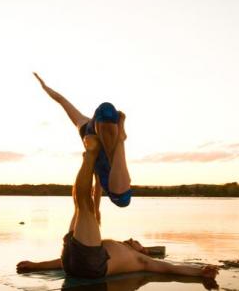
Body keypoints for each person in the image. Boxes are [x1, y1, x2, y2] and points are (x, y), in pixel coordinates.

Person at [17, 134, 219, 279]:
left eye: (137, 242)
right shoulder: (116, 246)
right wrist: (36, 265)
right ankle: (92, 164)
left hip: (93, 265)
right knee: (82, 206)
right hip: (73, 260)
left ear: (144, 251)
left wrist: (200, 272)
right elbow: (63, 261)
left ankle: (90, 154)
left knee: (83, 204)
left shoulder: (140, 259)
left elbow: (169, 268)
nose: (132, 239)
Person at [33, 72, 131, 207]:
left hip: (113, 178)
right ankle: (120, 139)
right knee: (122, 199)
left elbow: (61, 100)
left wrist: (44, 86)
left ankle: (120, 140)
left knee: (121, 198)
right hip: (117, 179)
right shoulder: (86, 126)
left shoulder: (83, 124)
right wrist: (44, 86)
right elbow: (61, 99)